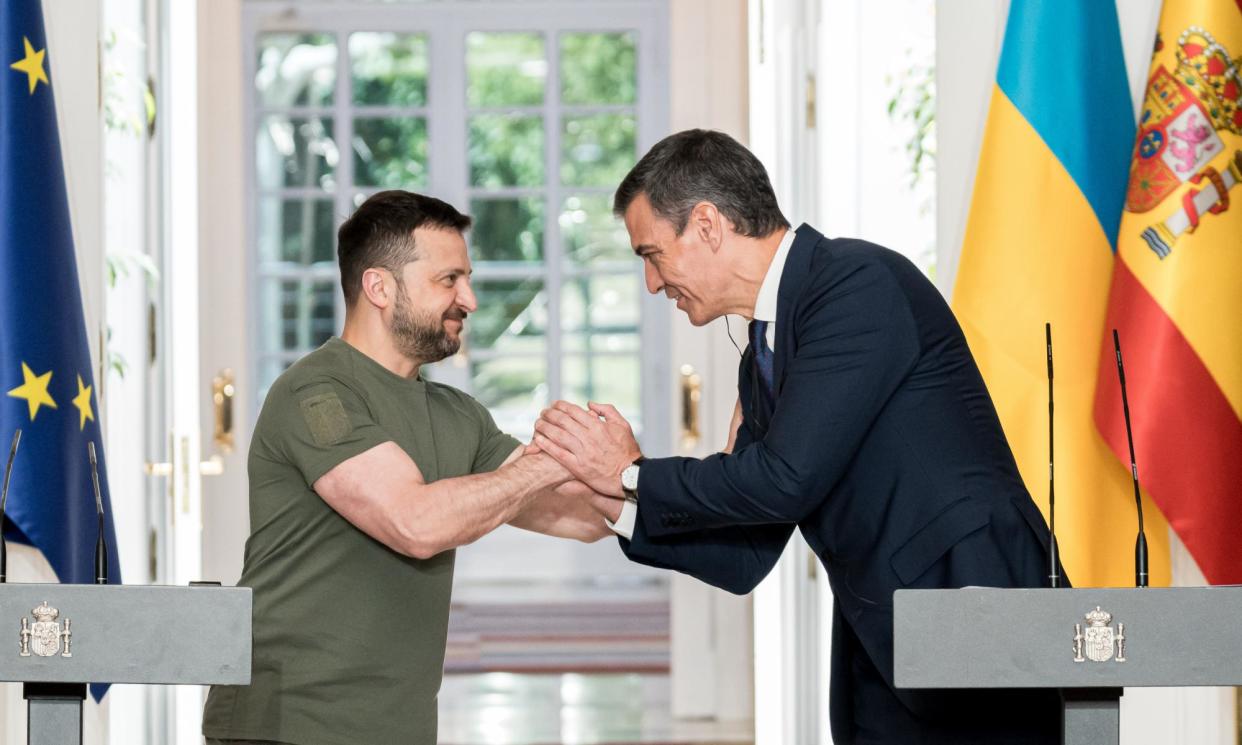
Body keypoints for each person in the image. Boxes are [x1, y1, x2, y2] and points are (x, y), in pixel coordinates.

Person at [532, 129, 1064, 744]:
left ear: (706, 225)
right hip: (882, 633)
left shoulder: (856, 283)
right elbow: (745, 553)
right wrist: (613, 502)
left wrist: (631, 472)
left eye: (651, 254)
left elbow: (786, 480)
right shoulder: (762, 354)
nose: (652, 284)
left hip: (972, 602)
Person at [202, 190, 612, 745]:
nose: (468, 298)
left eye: (466, 278)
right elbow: (415, 524)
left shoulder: (456, 414)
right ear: (379, 287)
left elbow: (582, 518)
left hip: (397, 726)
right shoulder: (315, 392)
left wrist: (633, 470)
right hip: (290, 723)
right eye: (449, 280)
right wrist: (553, 460)